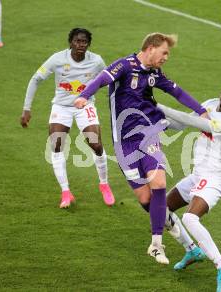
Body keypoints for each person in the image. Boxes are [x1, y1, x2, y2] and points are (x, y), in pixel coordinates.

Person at [73, 32, 209, 265]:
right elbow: (102, 79)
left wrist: (201, 111)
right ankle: (186, 243)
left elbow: (177, 91)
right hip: (124, 145)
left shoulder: (154, 74)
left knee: (159, 184)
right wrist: (85, 95)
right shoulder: (125, 66)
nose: (166, 57)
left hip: (148, 135)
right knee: (147, 201)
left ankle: (156, 244)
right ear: (151, 48)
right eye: (164, 52)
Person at [157, 75, 221, 292]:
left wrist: (158, 105)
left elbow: (196, 122)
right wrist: (160, 123)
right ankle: (192, 250)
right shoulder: (211, 103)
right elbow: (182, 123)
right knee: (161, 209)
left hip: (216, 178)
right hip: (199, 174)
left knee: (190, 218)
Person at [20, 28, 115, 209]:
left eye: (84, 42)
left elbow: (110, 79)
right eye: (77, 41)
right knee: (56, 145)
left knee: (95, 144)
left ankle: (104, 184)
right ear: (70, 42)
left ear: (88, 44)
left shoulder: (96, 61)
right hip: (61, 107)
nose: (81, 45)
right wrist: (27, 109)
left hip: (85, 106)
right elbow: (35, 79)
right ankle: (66, 192)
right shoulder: (57, 59)